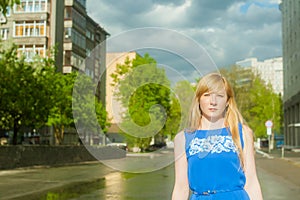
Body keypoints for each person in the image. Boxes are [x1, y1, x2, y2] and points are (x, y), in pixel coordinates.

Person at [172, 73, 263, 200]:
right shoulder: (183, 138)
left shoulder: (243, 133)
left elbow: (252, 183)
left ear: (227, 101)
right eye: (207, 95)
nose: (213, 102)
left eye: (220, 96)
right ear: (198, 99)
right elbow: (181, 188)